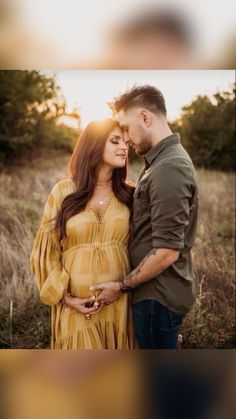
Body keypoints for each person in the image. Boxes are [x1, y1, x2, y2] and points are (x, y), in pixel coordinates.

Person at [91, 85, 199, 349]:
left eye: (126, 128)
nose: (125, 138)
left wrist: (121, 285)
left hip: (157, 297)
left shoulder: (169, 168)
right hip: (155, 295)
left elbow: (167, 252)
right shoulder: (159, 163)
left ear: (145, 117)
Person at [30, 119, 136, 349]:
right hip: (75, 309)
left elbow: (143, 250)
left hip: (118, 306)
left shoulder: (131, 194)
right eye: (115, 141)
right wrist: (67, 299)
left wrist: (122, 286)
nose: (124, 147)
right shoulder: (63, 191)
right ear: (94, 145)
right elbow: (45, 252)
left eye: (126, 142)